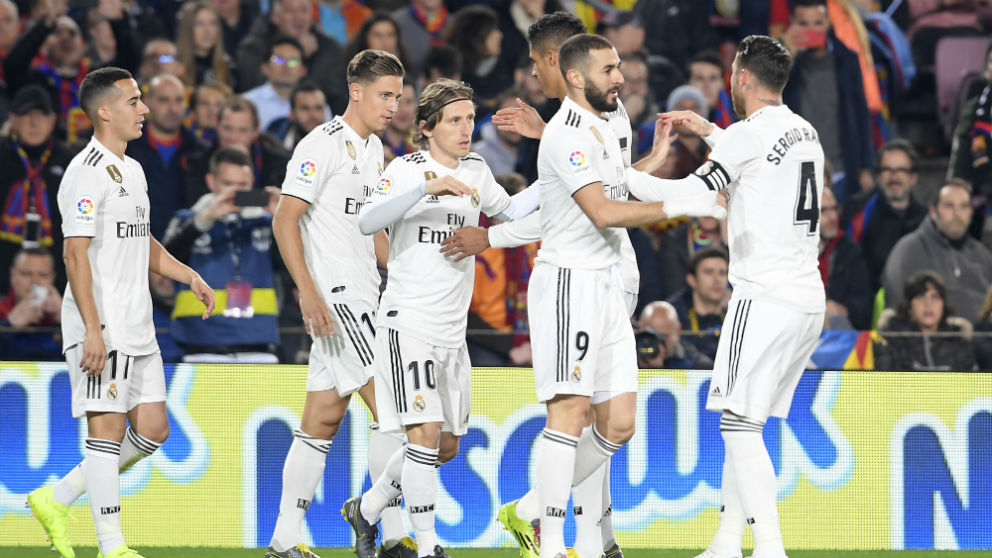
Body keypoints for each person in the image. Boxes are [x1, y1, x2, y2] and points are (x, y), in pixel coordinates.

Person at [437, 14, 719, 558]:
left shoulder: (611, 123)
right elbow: (602, 210)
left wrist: (682, 178)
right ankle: (560, 544)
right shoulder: (563, 136)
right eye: (610, 69)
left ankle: (526, 512)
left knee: (619, 424)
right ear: (573, 76)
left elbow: (622, 182)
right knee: (568, 415)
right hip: (570, 286)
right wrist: (689, 201)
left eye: (619, 66)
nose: (622, 77)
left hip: (609, 284)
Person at [344, 78, 538, 558]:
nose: (466, 128)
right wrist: (425, 188)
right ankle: (429, 545)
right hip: (408, 322)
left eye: (471, 118)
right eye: (455, 119)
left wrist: (559, 183)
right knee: (424, 438)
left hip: (454, 332)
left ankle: (366, 509)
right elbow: (367, 222)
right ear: (427, 127)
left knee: (445, 446)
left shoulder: (476, 169)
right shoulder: (406, 169)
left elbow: (510, 211)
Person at [26, 66, 215, 558]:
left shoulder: (132, 168)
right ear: (105, 111)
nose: (145, 110)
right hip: (102, 323)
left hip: (139, 324)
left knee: (152, 429)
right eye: (134, 102)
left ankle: (57, 496)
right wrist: (92, 328)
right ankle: (113, 547)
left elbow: (142, 240)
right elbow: (73, 254)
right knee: (106, 430)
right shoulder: (84, 172)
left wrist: (187, 275)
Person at [660, 34, 826, 558]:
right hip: (807, 299)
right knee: (747, 423)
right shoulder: (806, 132)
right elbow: (758, 163)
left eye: (732, 71)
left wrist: (613, 183)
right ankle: (727, 543)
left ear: (743, 78)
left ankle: (770, 548)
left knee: (736, 422)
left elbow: (695, 192)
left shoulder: (747, 135)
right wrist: (711, 130)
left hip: (763, 294)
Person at [267, 49, 411, 558]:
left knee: (321, 422)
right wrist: (307, 289)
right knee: (395, 413)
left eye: (397, 95)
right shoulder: (321, 145)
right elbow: (285, 219)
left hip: (365, 294)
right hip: (338, 299)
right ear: (356, 90)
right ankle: (390, 532)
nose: (393, 105)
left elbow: (370, 235)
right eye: (384, 94)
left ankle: (284, 541)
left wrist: (410, 272)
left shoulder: (374, 152)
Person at [162, 147, 281, 362]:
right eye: (227, 184)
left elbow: (295, 266)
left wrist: (284, 220)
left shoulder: (265, 222)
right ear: (211, 182)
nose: (234, 193)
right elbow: (162, 264)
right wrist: (203, 221)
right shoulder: (186, 220)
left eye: (242, 185)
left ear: (252, 183)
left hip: (259, 340)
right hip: (198, 340)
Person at [782, 0, 874, 201]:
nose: (811, 30)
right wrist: (785, 59)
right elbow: (767, 100)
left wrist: (866, 166)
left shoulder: (848, 61)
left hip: (842, 171)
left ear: (828, 23)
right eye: (803, 24)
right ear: (792, 24)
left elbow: (861, 115)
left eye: (817, 23)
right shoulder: (783, 65)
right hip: (796, 172)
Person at [883, 181, 992, 324]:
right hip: (933, 342)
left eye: (964, 207)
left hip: (984, 340)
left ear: (971, 213)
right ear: (934, 211)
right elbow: (899, 309)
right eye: (949, 206)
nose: (957, 214)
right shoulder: (909, 250)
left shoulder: (982, 254)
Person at [0, 85, 74, 293]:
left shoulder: (71, 163)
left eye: (41, 115)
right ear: (12, 120)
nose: (34, 122)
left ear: (52, 121)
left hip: (56, 275)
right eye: (26, 114)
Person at [124, 74, 208, 240]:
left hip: (185, 247)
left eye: (178, 100)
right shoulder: (125, 146)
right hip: (133, 244)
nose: (173, 108)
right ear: (147, 102)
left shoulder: (200, 151)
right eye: (164, 100)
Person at [841, 139, 927, 290]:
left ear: (913, 177)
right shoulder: (857, 210)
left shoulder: (926, 219)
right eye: (887, 170)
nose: (894, 177)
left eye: (901, 170)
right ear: (879, 176)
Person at [237, 0, 348, 115]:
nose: (298, 16)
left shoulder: (329, 47)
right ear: (275, 17)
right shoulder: (253, 47)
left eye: (303, 10)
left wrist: (302, 60)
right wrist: (298, 55)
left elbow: (337, 98)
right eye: (290, 10)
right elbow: (251, 85)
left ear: (311, 16)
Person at [186, 96, 291, 203]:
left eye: (242, 130)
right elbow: (194, 203)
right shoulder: (198, 163)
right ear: (217, 126)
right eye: (227, 128)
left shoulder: (280, 164)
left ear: (256, 131)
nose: (233, 137)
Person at [875, 271, 977, 372]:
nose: (928, 304)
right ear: (909, 307)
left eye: (935, 297)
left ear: (943, 305)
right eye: (920, 297)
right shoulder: (890, 340)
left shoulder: (958, 342)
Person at [818, 187, 872, 330]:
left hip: (837, 331)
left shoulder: (849, 251)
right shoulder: (794, 252)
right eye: (823, 211)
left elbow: (863, 305)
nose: (832, 217)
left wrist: (841, 310)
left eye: (834, 209)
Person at [666, 247, 728, 361]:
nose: (717, 279)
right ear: (692, 280)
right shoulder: (673, 316)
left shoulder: (736, 315)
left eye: (722, 273)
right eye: (709, 272)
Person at [0, 247, 62, 361]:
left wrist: (64, 320)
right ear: (12, 275)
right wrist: (9, 325)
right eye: (27, 274)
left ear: (52, 278)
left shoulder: (66, 313)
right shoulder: (1, 309)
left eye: (43, 275)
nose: (35, 281)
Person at [243, 35, 310, 131]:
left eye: (293, 61)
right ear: (264, 67)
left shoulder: (317, 104)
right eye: (278, 60)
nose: (286, 66)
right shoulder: (248, 102)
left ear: (303, 70)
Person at [635, 301, 714, 370]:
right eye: (650, 336)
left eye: (663, 336)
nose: (657, 343)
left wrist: (655, 371)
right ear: (639, 330)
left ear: (678, 332)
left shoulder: (700, 368)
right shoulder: (626, 360)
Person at [175, 1, 235, 88]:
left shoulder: (228, 66)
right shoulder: (175, 65)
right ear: (187, 28)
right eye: (199, 23)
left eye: (213, 23)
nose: (207, 31)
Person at [266, 81, 331, 152]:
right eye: (305, 108)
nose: (313, 115)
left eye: (318, 108)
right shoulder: (274, 136)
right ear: (291, 113)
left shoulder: (339, 143)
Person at [188, 81, 233, 147]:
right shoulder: (180, 144)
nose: (212, 110)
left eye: (219, 104)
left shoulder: (239, 142)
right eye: (204, 103)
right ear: (192, 113)